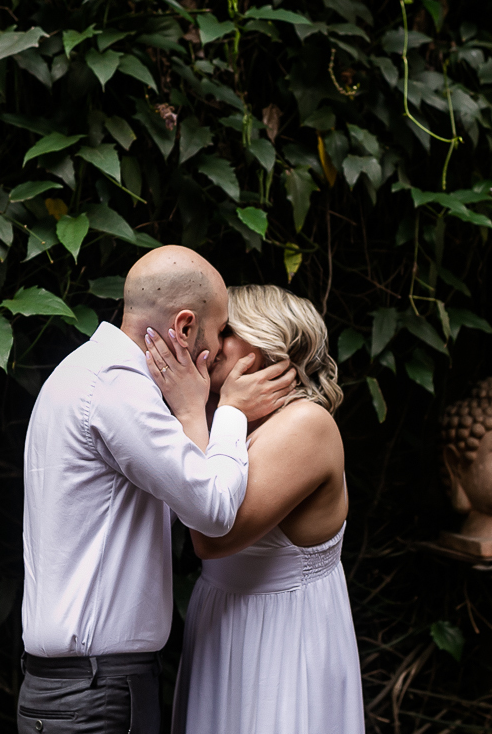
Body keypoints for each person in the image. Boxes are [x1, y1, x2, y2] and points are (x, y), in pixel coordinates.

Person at [19, 246, 297, 734]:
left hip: (73, 686)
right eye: (219, 330)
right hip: (95, 690)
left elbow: (163, 506)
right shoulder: (117, 388)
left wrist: (193, 413)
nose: (219, 348)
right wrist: (228, 410)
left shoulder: (82, 372)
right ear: (186, 327)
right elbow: (212, 511)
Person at [145, 284, 366, 734]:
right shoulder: (234, 424)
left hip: (280, 641)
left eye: (225, 330)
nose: (207, 340)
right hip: (224, 627)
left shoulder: (306, 424)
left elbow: (212, 536)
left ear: (268, 342)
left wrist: (193, 413)